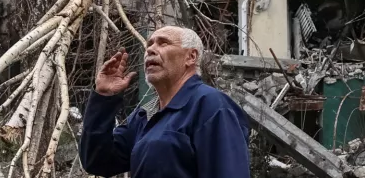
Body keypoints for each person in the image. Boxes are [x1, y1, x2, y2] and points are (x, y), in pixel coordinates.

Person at [78, 26, 251, 178]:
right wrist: (104, 97)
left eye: (163, 43)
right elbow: (98, 161)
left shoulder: (211, 106)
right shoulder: (146, 114)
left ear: (191, 57)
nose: (151, 50)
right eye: (149, 45)